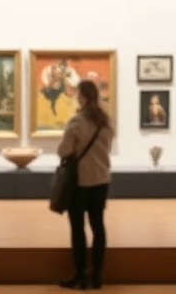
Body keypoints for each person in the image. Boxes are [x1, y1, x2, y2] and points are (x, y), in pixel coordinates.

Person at [56, 80, 114, 290]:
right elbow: (107, 148)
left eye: (78, 94)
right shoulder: (106, 122)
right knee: (98, 226)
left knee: (78, 228)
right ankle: (97, 274)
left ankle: (81, 275)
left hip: (80, 182)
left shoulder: (76, 122)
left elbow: (63, 151)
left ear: (83, 97)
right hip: (101, 180)